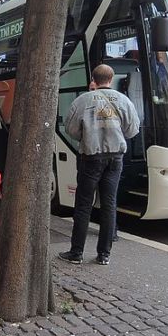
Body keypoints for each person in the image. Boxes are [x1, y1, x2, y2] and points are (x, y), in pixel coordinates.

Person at [59, 64, 140, 266]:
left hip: (91, 158)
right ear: (111, 79)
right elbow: (132, 131)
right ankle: (104, 255)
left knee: (84, 205)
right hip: (115, 158)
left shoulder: (83, 100)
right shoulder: (124, 101)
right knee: (109, 204)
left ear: (93, 79)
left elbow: (71, 129)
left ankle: (76, 252)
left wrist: (87, 135)